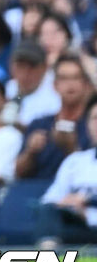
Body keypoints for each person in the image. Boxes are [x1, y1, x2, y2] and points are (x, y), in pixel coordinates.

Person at [16, 53, 94, 180]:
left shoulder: (93, 124)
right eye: (64, 78)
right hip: (36, 193)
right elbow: (18, 172)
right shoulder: (39, 124)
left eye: (76, 78)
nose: (70, 84)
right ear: (55, 85)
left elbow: (90, 175)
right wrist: (30, 152)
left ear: (85, 84)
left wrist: (71, 149)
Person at [36, 96, 97, 245]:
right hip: (77, 225)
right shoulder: (75, 161)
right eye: (95, 118)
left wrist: (86, 206)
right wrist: (66, 202)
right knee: (47, 211)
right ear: (87, 125)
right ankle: (48, 260)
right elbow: (50, 200)